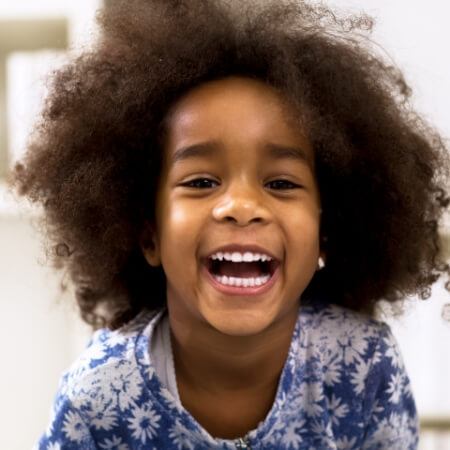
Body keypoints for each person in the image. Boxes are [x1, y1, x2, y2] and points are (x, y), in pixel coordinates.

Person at [9, 0, 450, 448]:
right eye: (201, 181)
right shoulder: (97, 397)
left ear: (327, 231)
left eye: (280, 182)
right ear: (148, 234)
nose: (241, 205)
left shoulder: (364, 364)